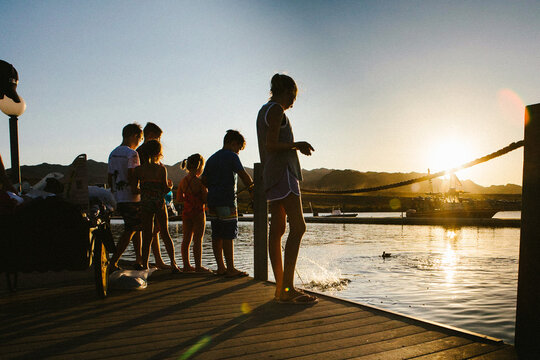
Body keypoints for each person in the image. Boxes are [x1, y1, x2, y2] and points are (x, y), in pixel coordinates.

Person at [256, 74, 318, 304]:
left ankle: (281, 288)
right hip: (283, 172)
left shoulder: (264, 110)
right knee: (299, 227)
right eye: (294, 96)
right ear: (288, 92)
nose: (294, 101)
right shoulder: (276, 110)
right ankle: (287, 288)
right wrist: (296, 144)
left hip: (271, 174)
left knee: (278, 229)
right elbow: (271, 144)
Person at [202, 130, 253, 277]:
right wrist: (252, 192)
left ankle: (221, 268)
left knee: (217, 234)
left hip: (212, 201)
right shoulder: (231, 156)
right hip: (227, 200)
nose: (238, 151)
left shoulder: (211, 158)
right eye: (238, 148)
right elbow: (243, 175)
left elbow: (204, 181)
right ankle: (230, 268)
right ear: (233, 143)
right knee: (229, 234)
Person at [132, 140, 180, 272]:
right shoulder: (161, 169)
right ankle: (174, 264)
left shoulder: (138, 170)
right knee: (165, 233)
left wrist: (145, 190)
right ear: (158, 153)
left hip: (146, 203)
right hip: (159, 203)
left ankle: (145, 264)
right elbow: (165, 189)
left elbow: (134, 189)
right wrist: (170, 186)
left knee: (147, 235)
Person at [108, 123, 143, 271]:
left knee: (136, 227)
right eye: (140, 139)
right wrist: (137, 188)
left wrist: (113, 193)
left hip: (118, 197)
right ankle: (113, 262)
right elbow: (132, 174)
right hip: (131, 197)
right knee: (131, 229)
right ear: (134, 136)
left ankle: (139, 260)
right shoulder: (132, 154)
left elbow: (109, 176)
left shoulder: (113, 153)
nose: (139, 142)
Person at [137, 122, 169, 269]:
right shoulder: (143, 153)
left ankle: (153, 260)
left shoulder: (142, 152)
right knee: (151, 230)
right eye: (158, 138)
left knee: (151, 230)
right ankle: (148, 260)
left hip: (145, 198)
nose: (159, 141)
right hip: (150, 198)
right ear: (150, 135)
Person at [176, 153, 210, 272]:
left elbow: (179, 198)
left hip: (187, 212)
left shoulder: (183, 181)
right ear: (199, 166)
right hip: (198, 212)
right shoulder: (200, 183)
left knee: (186, 239)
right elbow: (206, 199)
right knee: (198, 239)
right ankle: (198, 266)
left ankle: (186, 265)